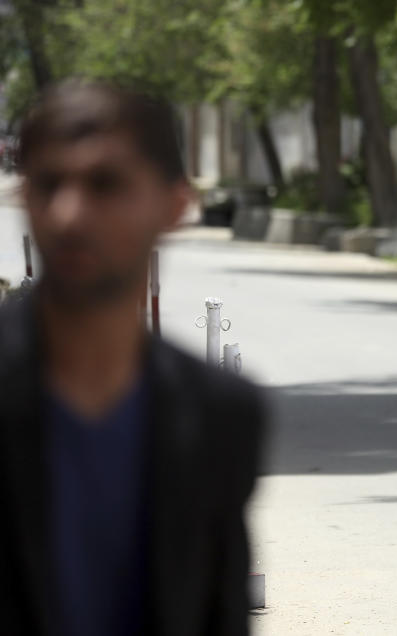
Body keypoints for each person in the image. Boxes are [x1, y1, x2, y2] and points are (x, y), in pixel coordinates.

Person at [0, 80, 264, 636]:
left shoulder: (220, 414)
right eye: (48, 184)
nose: (70, 214)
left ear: (175, 205)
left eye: (105, 184)